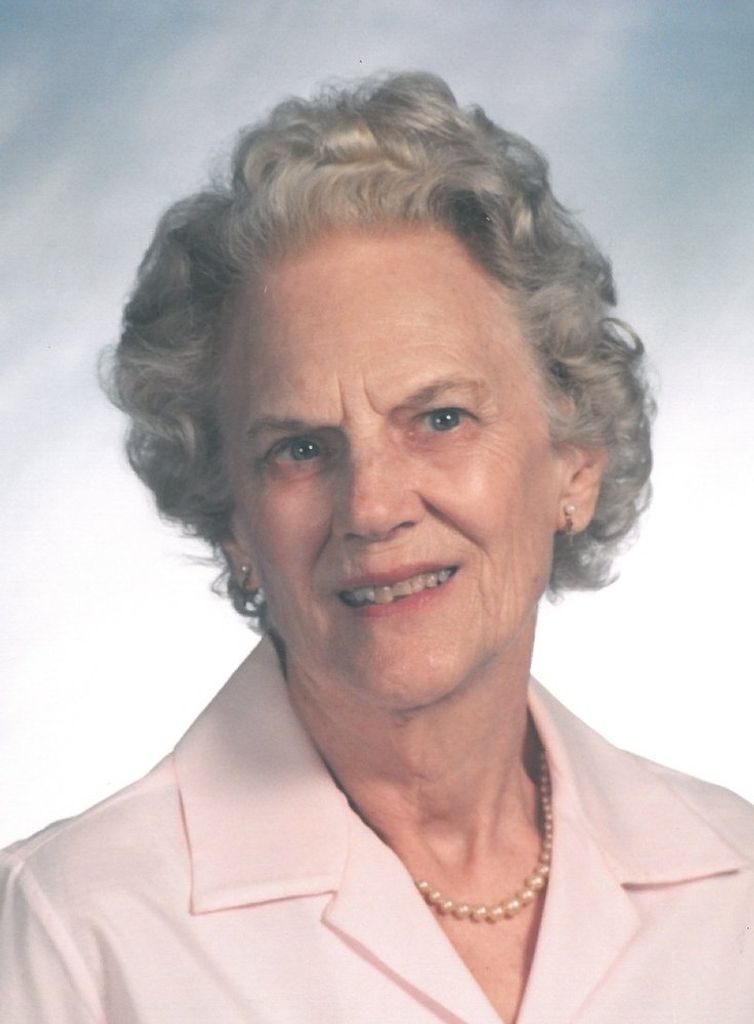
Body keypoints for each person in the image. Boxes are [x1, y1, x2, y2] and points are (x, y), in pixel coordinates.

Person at [1, 72, 752, 1024]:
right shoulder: (70, 934)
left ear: (575, 464)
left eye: (440, 418)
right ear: (233, 520)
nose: (373, 507)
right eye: (300, 449)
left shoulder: (734, 889)